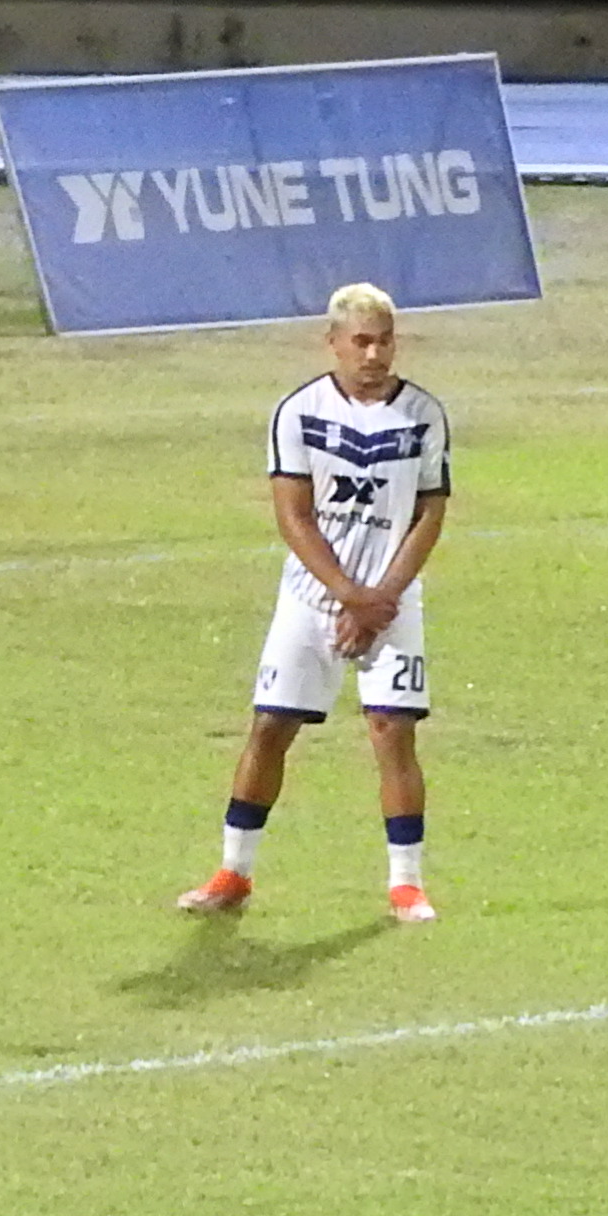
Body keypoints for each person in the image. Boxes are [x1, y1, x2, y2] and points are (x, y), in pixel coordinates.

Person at [181, 283, 452, 924]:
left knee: (392, 730)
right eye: (361, 340)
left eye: (384, 339)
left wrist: (380, 598)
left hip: (391, 600)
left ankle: (406, 884)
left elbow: (430, 510)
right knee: (272, 727)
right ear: (332, 342)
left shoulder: (422, 415)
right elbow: (294, 516)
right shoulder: (299, 412)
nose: (375, 353)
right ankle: (233, 873)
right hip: (312, 600)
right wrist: (347, 596)